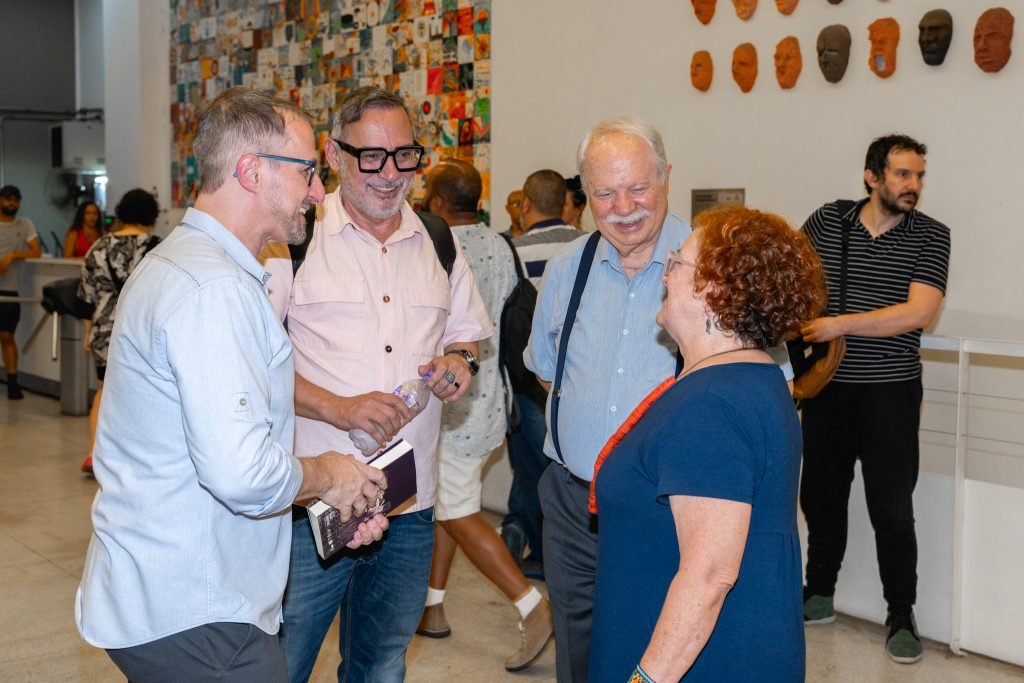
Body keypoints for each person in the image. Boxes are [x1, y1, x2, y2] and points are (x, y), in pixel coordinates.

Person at [75, 87, 389, 682]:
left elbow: (224, 449)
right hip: (199, 615)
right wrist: (329, 474)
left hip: (173, 596)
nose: (320, 193)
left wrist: (331, 501)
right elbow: (241, 473)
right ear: (251, 171)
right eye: (308, 173)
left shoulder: (184, 263)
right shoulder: (212, 289)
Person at [526, 115, 796, 682]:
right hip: (574, 501)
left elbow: (761, 390)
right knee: (583, 652)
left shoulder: (714, 268)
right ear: (584, 193)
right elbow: (549, 376)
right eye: (604, 192)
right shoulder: (565, 270)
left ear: (667, 176)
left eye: (638, 187)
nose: (624, 206)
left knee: (670, 629)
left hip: (672, 508)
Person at [265, 86, 492, 683]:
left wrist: (459, 362)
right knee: (283, 663)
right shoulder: (293, 239)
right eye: (370, 156)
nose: (390, 174)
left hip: (409, 504)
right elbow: (249, 368)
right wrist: (339, 408)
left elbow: (467, 335)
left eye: (404, 155)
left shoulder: (438, 241)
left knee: (382, 663)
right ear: (333, 156)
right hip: (309, 501)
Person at [590, 206, 825, 681]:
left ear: (713, 289)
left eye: (677, 262)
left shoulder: (711, 404)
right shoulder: (756, 377)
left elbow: (710, 574)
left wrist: (646, 679)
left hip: (697, 661)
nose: (666, 272)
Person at [798, 134, 951, 665]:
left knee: (891, 507)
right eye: (904, 175)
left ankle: (901, 615)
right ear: (872, 176)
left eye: (919, 176)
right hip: (826, 388)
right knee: (820, 496)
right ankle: (818, 595)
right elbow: (791, 277)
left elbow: (917, 313)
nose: (914, 186)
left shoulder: (932, 236)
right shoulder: (827, 221)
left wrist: (840, 322)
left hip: (891, 392)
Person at [414, 158, 553, 671]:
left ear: (435, 202)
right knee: (453, 504)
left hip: (451, 406)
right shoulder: (500, 244)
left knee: (455, 512)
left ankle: (531, 605)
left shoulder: (432, 245)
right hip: (492, 401)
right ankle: (432, 608)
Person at [501, 169, 581, 578]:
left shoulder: (512, 251)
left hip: (531, 382)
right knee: (573, 474)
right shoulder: (589, 248)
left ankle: (537, 551)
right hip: (580, 382)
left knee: (534, 471)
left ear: (526, 205)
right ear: (566, 204)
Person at [77, 189, 161, 475]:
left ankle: (93, 452)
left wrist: (89, 333)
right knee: (146, 392)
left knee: (103, 390)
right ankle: (139, 456)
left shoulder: (97, 247)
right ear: (151, 215)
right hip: (143, 332)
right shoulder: (158, 248)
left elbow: (86, 297)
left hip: (104, 331)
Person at [0, 184, 41, 400]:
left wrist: (12, 256)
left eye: (15, 199)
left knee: (7, 336)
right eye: (7, 199)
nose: (11, 203)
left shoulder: (24, 224)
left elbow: (36, 250)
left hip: (10, 290)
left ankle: (13, 383)